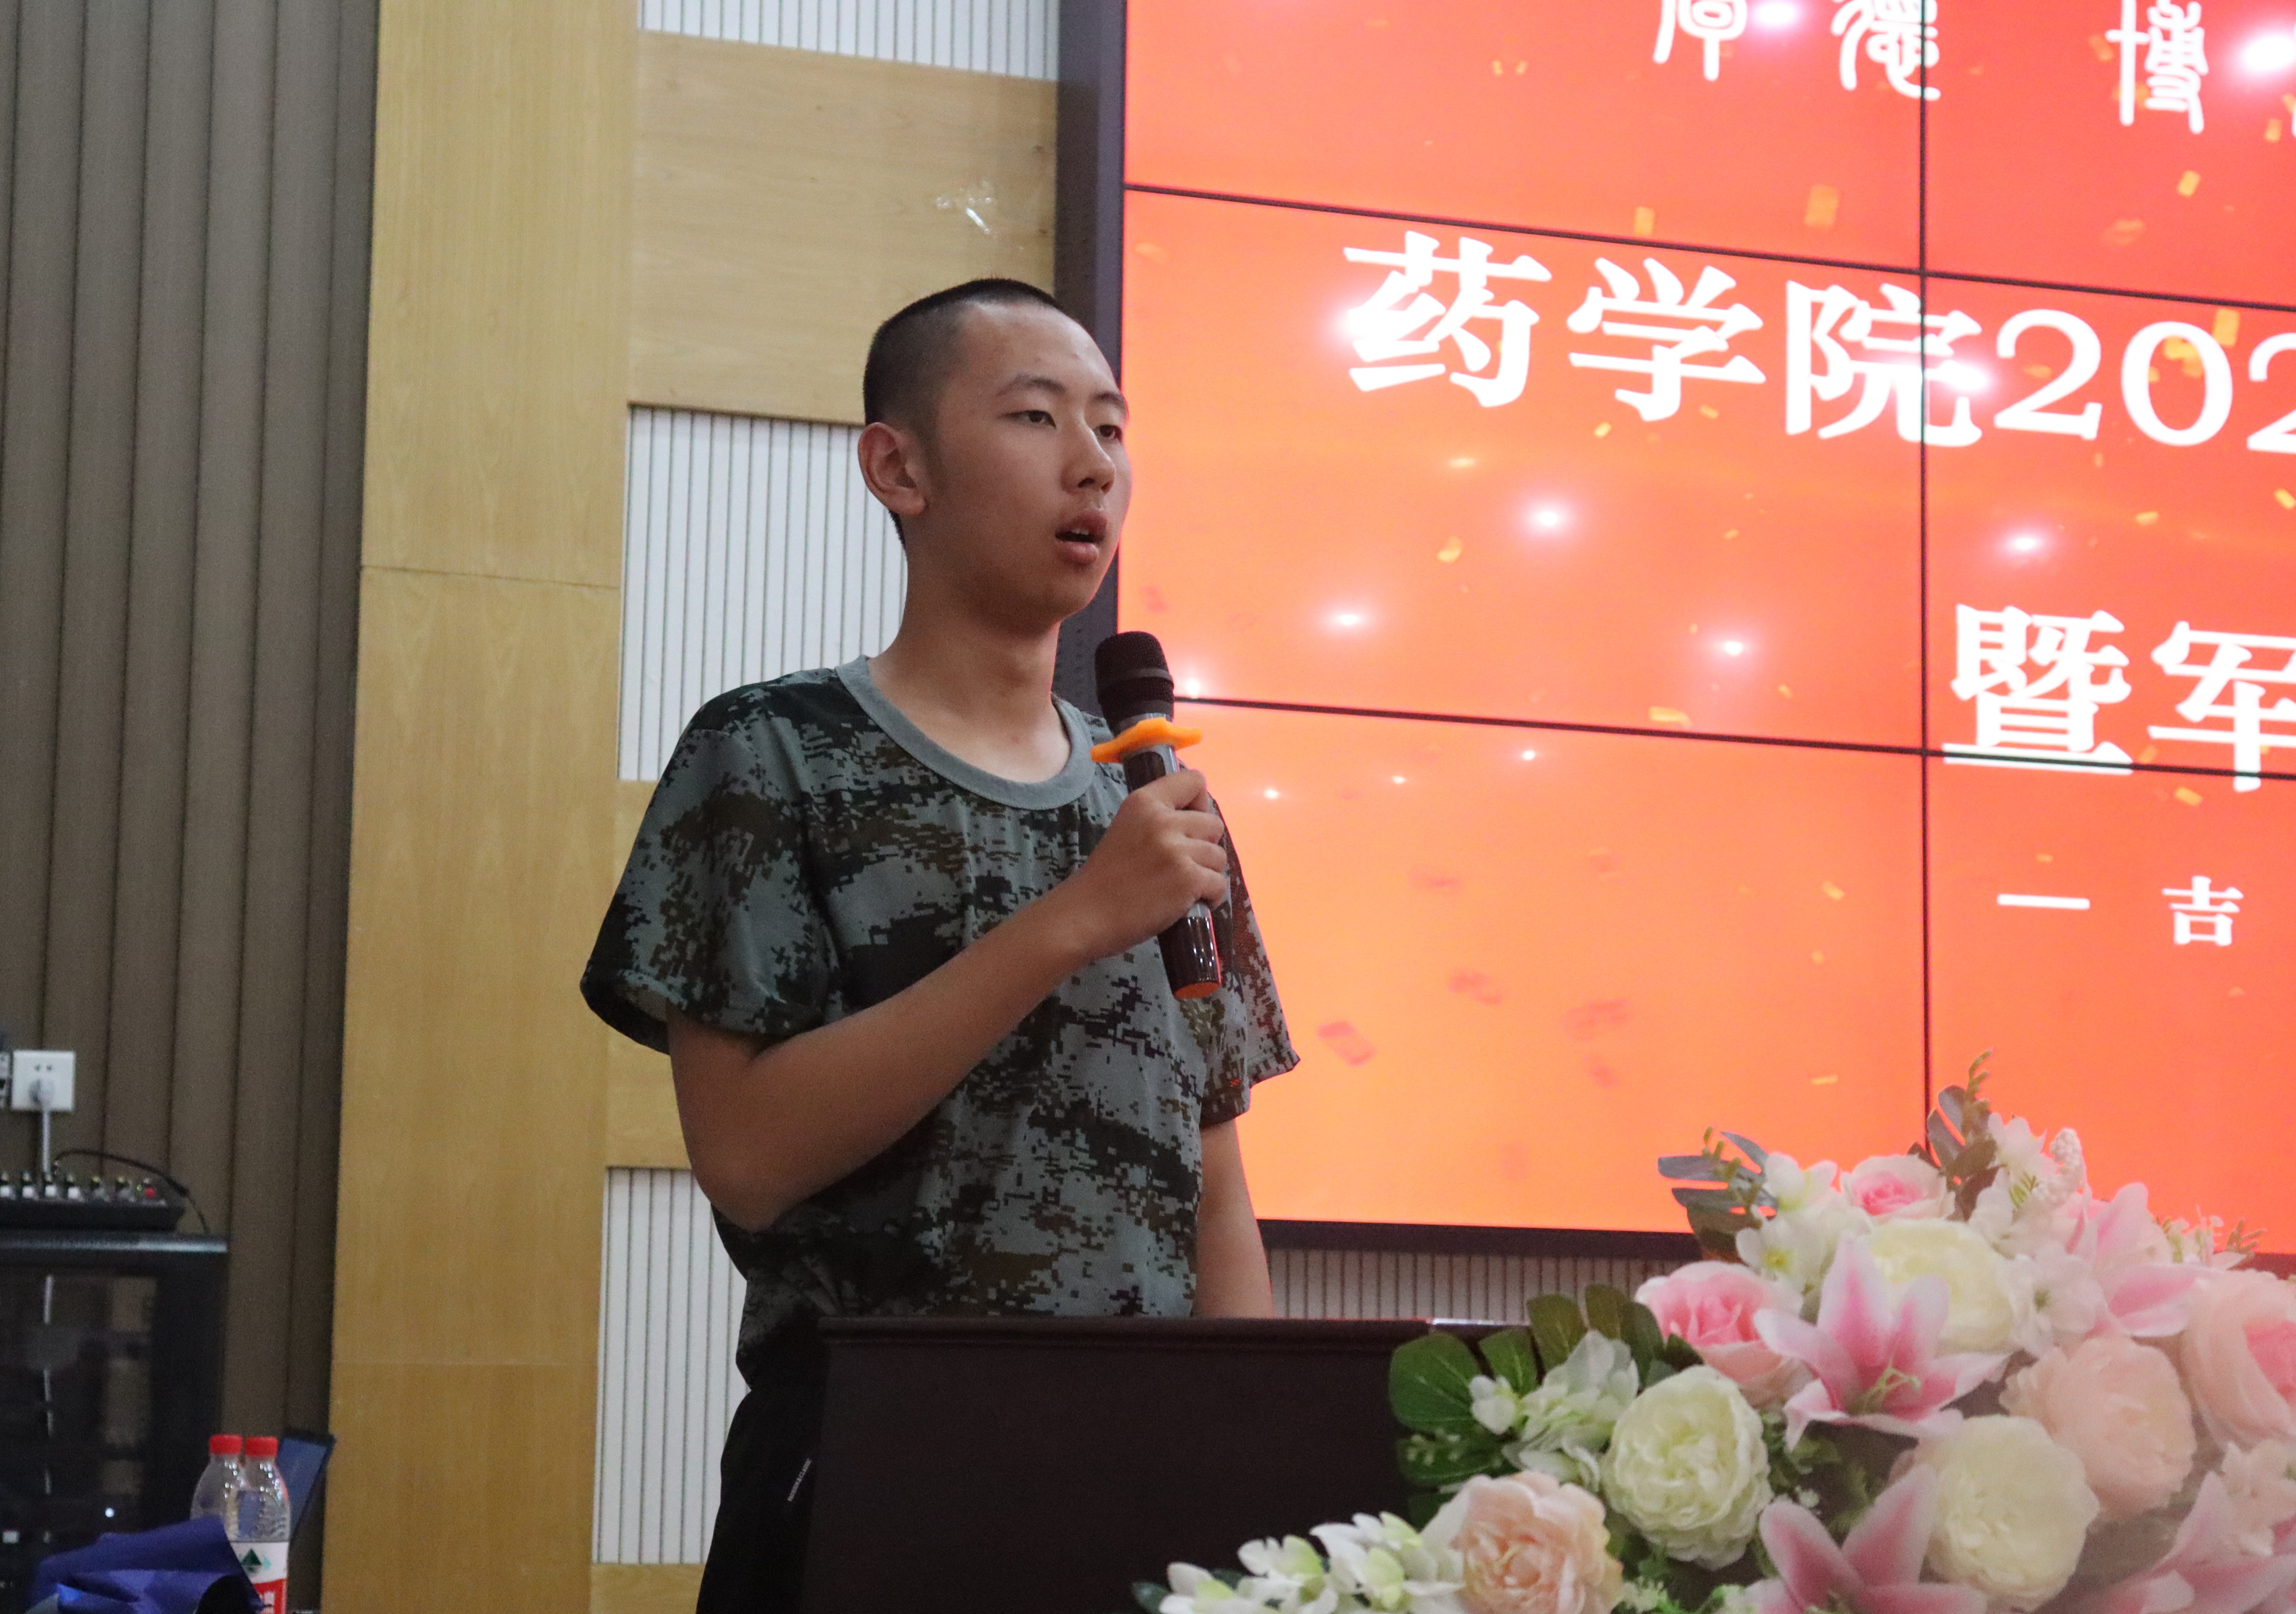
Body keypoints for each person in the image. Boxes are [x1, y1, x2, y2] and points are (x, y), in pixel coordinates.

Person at [579, 278, 1297, 1612]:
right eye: (1035, 417)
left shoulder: (1154, 801)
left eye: (1113, 427)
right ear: (897, 468)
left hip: (1144, 1486)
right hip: (874, 1466)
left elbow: (1217, 1191)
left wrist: (1248, 1488)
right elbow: (749, 1159)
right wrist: (1069, 923)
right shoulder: (771, 752)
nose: (1093, 464)